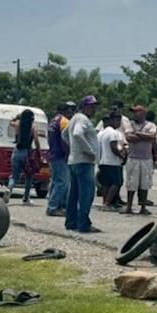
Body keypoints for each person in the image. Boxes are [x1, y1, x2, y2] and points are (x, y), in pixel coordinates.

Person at [65, 95, 101, 233]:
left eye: (95, 107)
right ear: (84, 107)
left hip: (74, 160)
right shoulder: (82, 119)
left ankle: (71, 221)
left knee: (74, 194)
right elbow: (77, 134)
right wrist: (88, 150)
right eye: (91, 107)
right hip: (84, 161)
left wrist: (73, 148)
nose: (94, 109)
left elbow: (64, 134)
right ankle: (83, 223)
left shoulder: (74, 118)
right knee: (86, 194)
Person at [124, 106, 157, 215]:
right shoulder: (130, 124)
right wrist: (144, 136)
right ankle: (129, 207)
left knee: (145, 184)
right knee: (131, 183)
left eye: (136, 112)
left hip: (146, 158)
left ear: (142, 113)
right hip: (133, 158)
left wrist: (137, 133)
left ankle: (143, 207)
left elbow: (152, 136)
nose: (134, 114)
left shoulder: (150, 125)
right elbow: (128, 137)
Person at [4, 109, 41, 204]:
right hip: (27, 152)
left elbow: (10, 122)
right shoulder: (33, 127)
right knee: (29, 176)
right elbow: (36, 140)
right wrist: (38, 151)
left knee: (14, 176)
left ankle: (9, 189)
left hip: (16, 151)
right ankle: (26, 198)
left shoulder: (17, 125)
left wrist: (17, 116)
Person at [45, 102, 74, 217]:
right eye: (70, 110)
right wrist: (68, 154)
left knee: (56, 182)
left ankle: (57, 205)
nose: (72, 113)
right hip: (60, 156)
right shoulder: (64, 121)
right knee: (62, 183)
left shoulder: (53, 121)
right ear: (65, 111)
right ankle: (53, 207)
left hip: (53, 154)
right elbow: (65, 139)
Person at [97, 113, 128, 212]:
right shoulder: (114, 133)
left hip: (103, 161)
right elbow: (115, 147)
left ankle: (104, 202)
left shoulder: (100, 134)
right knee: (116, 183)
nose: (118, 123)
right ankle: (107, 203)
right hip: (113, 162)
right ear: (111, 121)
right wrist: (122, 156)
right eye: (117, 120)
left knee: (106, 184)